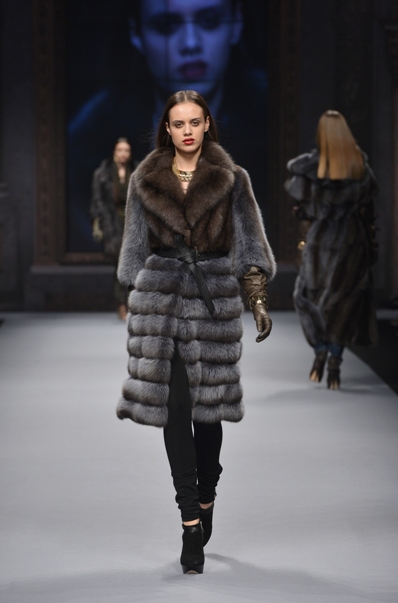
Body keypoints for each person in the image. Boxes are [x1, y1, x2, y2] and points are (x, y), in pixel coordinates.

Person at [116, 90, 276, 574]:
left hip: (212, 302)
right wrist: (133, 299)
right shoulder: (145, 179)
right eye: (177, 123)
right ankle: (189, 520)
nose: (186, 131)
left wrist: (257, 300)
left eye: (194, 122)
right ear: (167, 129)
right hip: (162, 300)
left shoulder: (232, 179)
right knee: (174, 407)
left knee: (208, 414)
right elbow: (134, 248)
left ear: (207, 124)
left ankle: (206, 494)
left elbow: (248, 242)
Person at [66, 0, 267, 251]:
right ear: (136, 34)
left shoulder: (273, 133)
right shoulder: (87, 145)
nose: (191, 44)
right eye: (166, 26)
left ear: (236, 24)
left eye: (210, 21)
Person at [284, 110, 378, 390]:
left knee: (307, 297)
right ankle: (335, 362)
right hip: (351, 241)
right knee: (343, 304)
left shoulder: (308, 170)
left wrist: (306, 214)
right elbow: (368, 210)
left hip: (320, 242)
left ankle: (320, 351)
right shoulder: (359, 168)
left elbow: (301, 210)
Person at [90, 138, 136, 320]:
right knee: (119, 264)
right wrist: (101, 222)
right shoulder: (103, 174)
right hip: (113, 223)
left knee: (134, 264)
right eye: (120, 150)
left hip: (133, 223)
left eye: (126, 150)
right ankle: (121, 303)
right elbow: (97, 201)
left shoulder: (137, 172)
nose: (123, 153)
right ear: (115, 153)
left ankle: (132, 302)